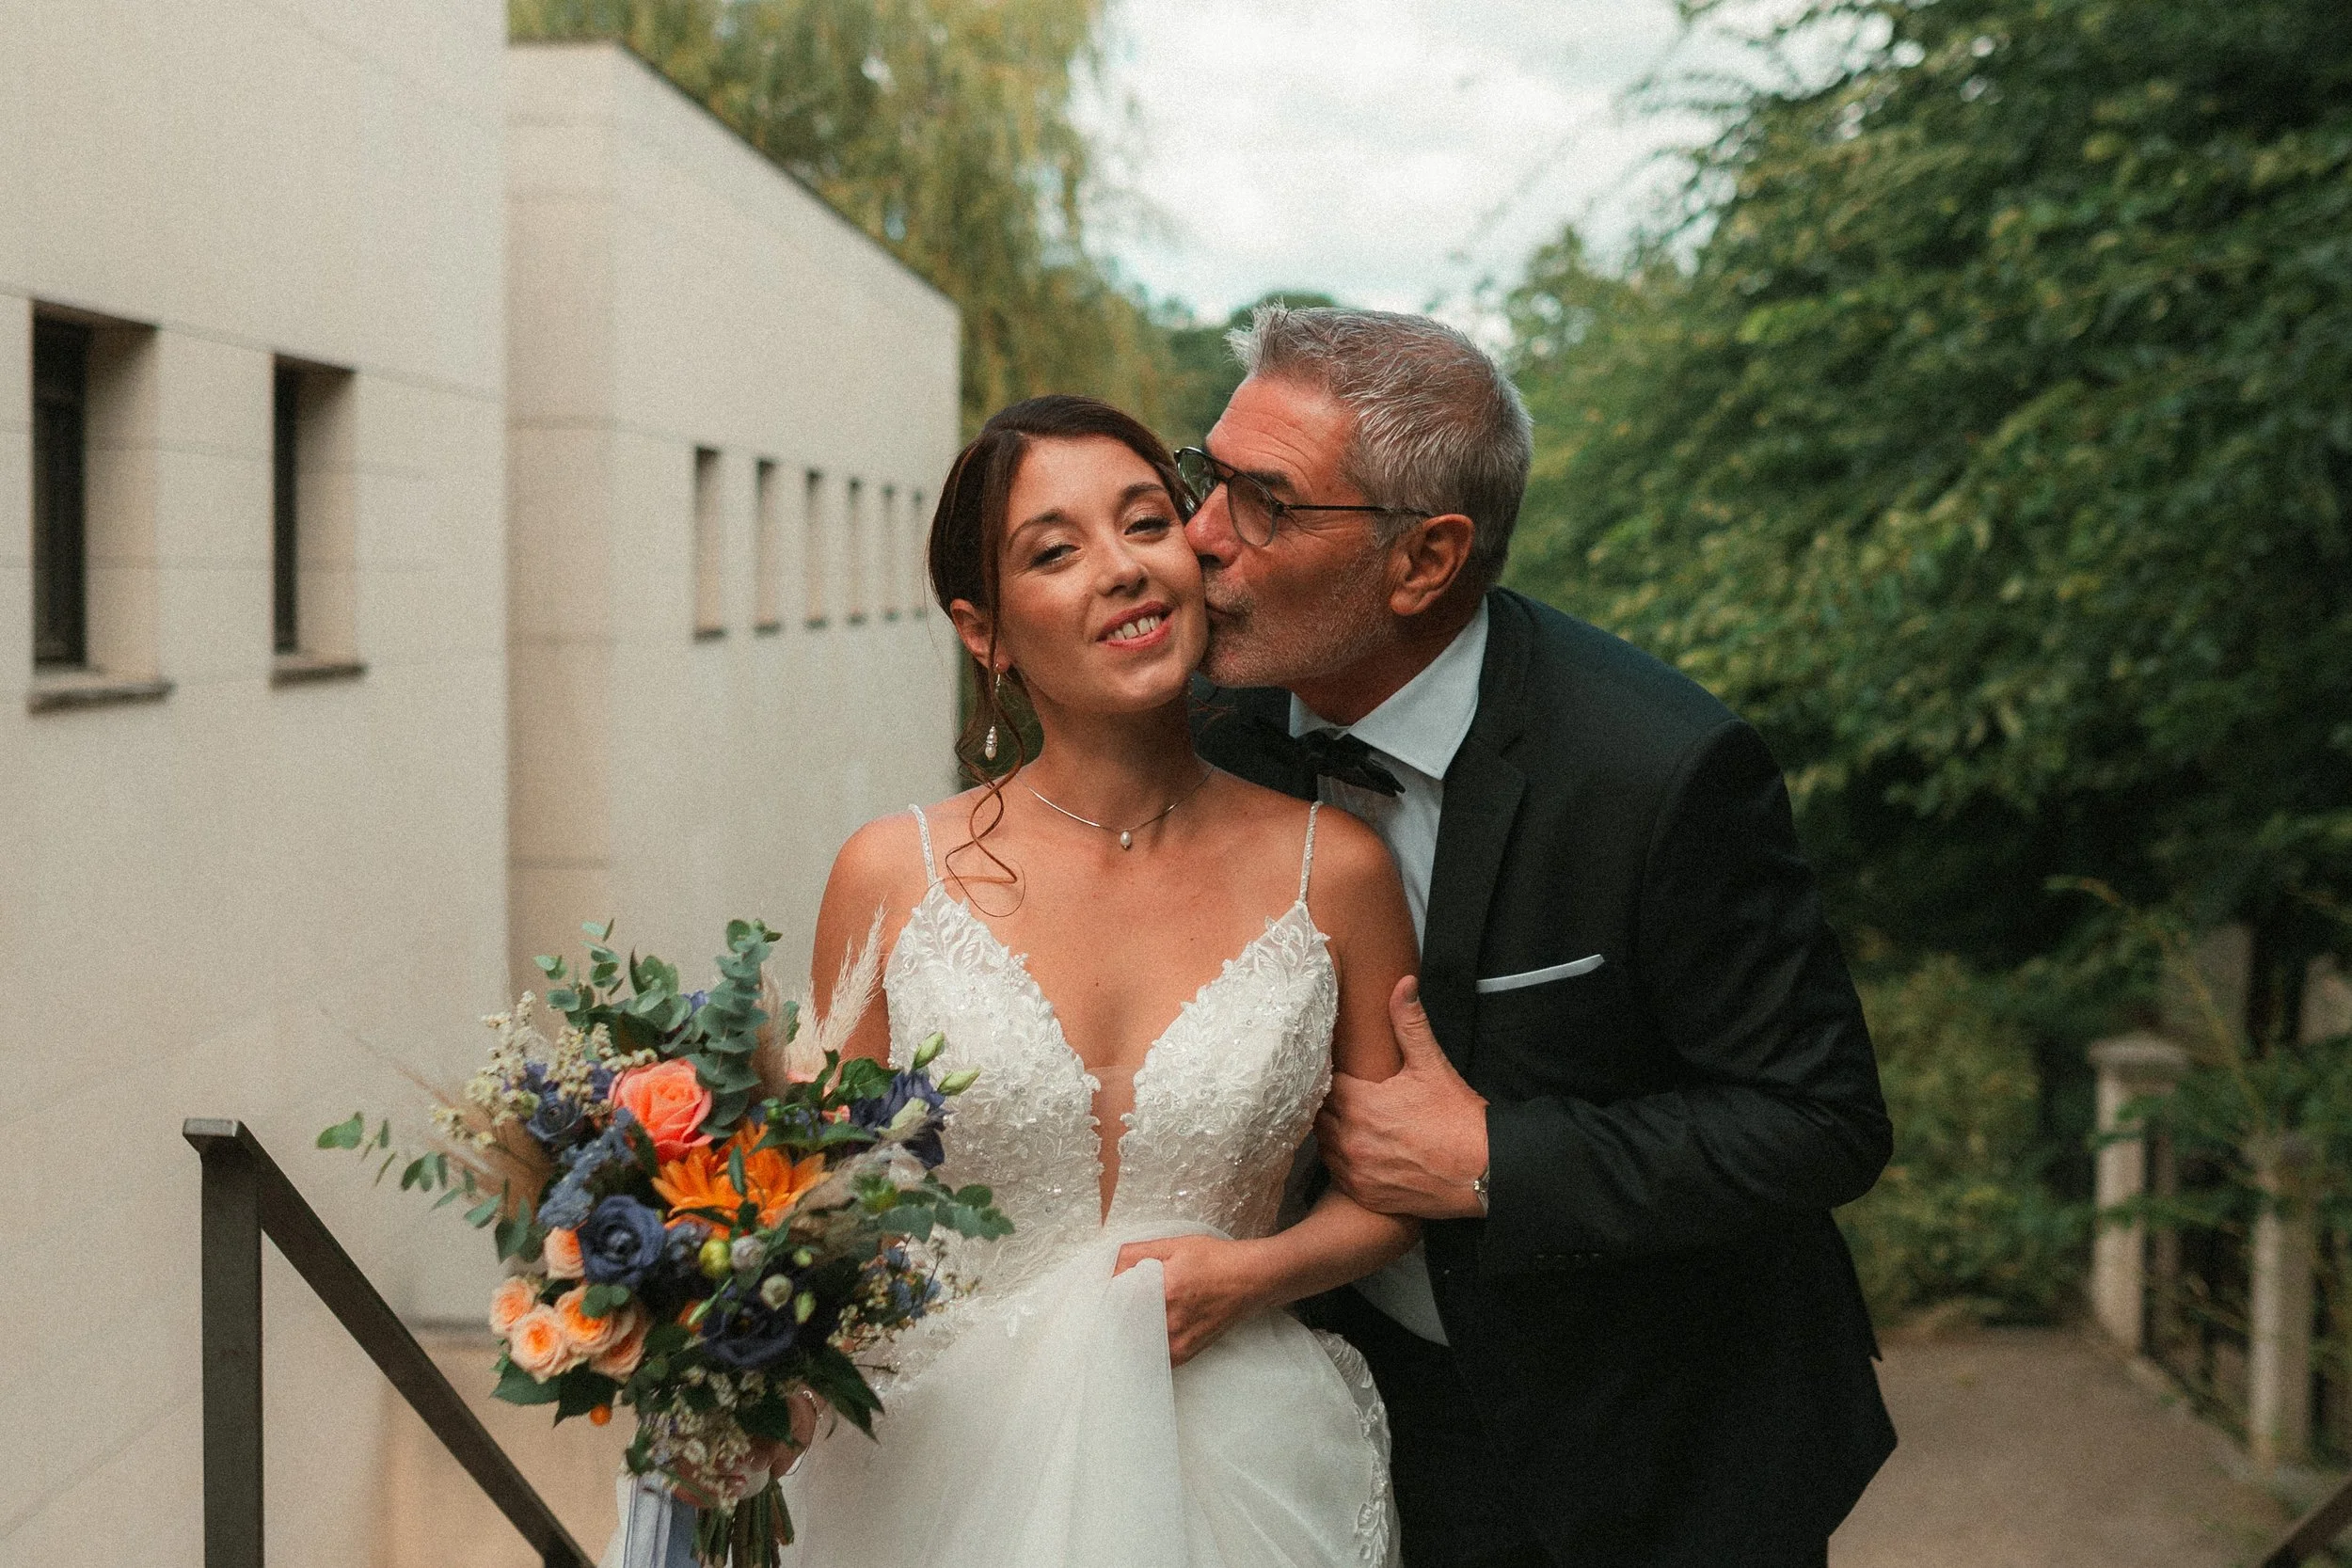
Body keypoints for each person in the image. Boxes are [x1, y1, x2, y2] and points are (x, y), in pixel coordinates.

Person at [1185, 306, 1898, 1568]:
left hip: (1666, 1448)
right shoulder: (1212, 731)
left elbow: (1820, 1119)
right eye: (1208, 478)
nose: (1201, 538)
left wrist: (1493, 1154)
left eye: (1266, 503)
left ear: (1426, 559)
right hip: (1361, 1423)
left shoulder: (1658, 770)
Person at [769, 394, 1423, 1567]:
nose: (1121, 570)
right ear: (987, 632)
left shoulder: (1339, 868)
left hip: (1246, 1465)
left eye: (1145, 523)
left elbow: (1397, 1182)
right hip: (933, 1478)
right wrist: (755, 1392)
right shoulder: (890, 875)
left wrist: (1255, 1272)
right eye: (1055, 551)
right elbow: (819, 1218)